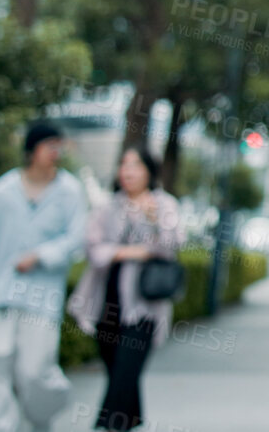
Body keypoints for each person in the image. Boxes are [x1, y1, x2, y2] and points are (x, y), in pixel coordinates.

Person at [0, 120, 88, 432]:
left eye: (59, 145)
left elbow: (76, 239)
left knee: (35, 371)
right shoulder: (2, 191)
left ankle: (41, 421)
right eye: (49, 145)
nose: (55, 151)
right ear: (32, 150)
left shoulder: (70, 191)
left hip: (41, 297)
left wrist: (41, 255)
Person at [66, 145, 182, 431]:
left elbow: (171, 245)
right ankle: (129, 422)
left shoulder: (163, 205)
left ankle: (105, 426)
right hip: (106, 300)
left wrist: (153, 222)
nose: (128, 171)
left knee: (125, 373)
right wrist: (134, 252)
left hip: (143, 305)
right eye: (124, 164)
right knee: (117, 372)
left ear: (149, 172)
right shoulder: (108, 206)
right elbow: (93, 250)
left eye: (136, 165)